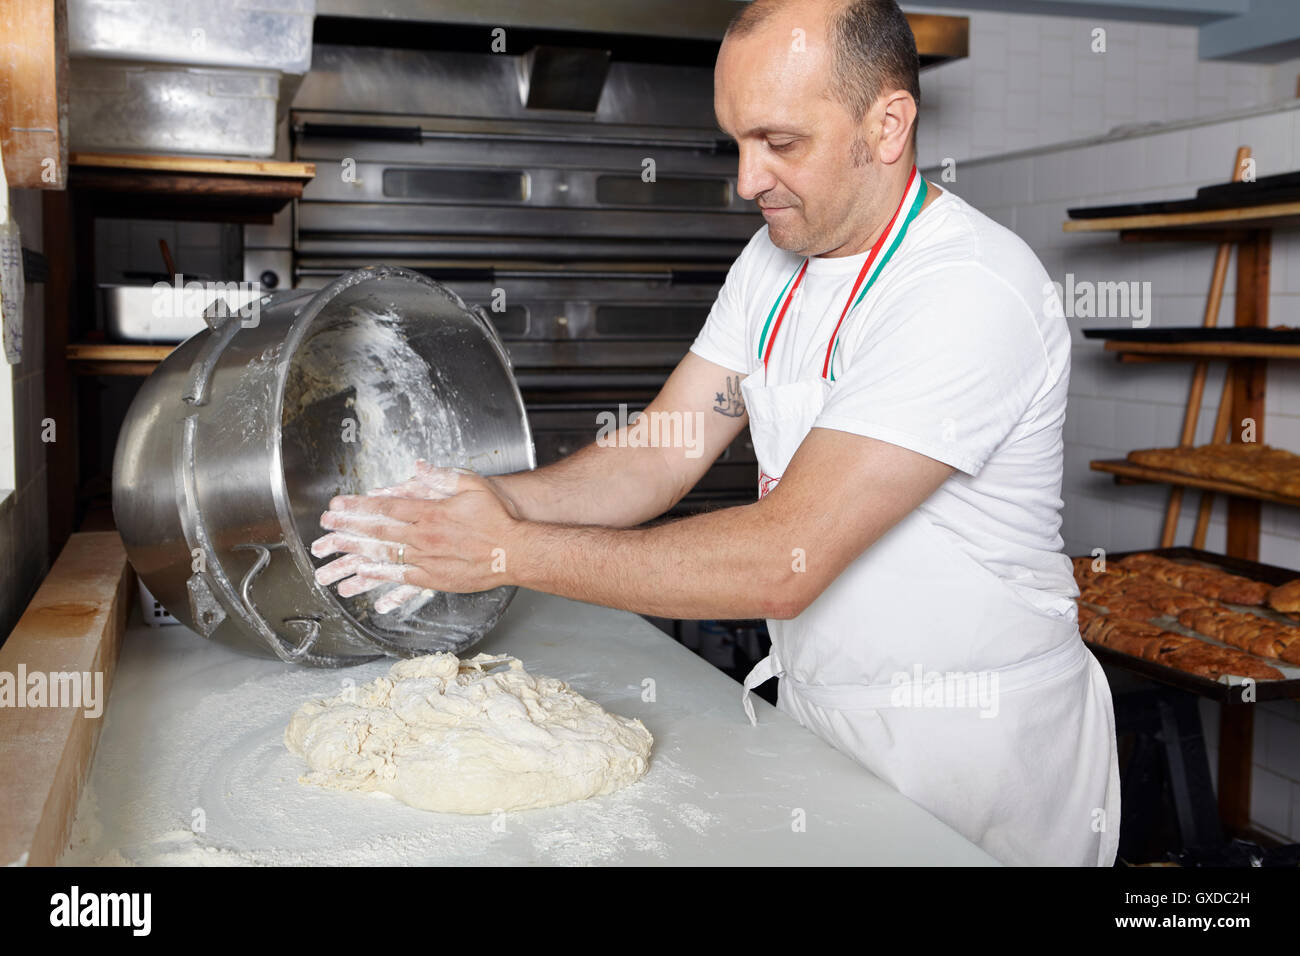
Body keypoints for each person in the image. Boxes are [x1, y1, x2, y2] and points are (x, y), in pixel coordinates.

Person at [311, 0, 1120, 867]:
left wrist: (508, 552)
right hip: (821, 720)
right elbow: (660, 450)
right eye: (737, 141)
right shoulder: (776, 259)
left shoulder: (967, 289)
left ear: (887, 125)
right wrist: (489, 500)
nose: (747, 180)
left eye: (780, 142)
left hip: (973, 753)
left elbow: (785, 559)